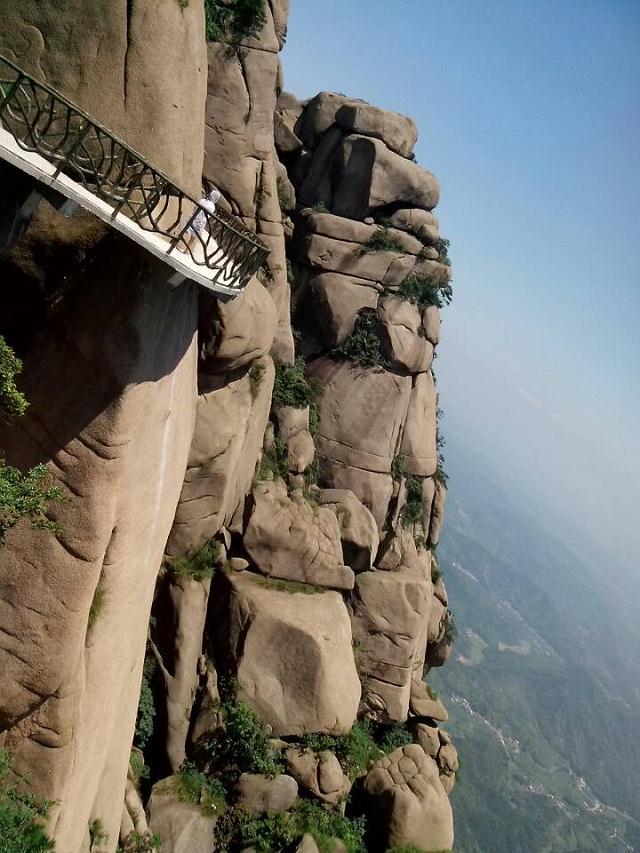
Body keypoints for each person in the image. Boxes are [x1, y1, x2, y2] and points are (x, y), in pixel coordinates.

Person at [181, 186, 221, 252]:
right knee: (193, 237)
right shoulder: (212, 206)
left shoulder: (202, 200)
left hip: (193, 217)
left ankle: (175, 241)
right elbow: (208, 216)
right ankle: (186, 250)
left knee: (185, 230)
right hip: (201, 221)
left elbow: (195, 208)